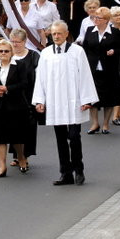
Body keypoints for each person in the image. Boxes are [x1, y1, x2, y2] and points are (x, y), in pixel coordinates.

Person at [32, 21, 98, 186]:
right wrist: (40, 100)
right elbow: (40, 78)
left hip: (73, 100)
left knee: (74, 137)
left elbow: (85, 75)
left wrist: (86, 99)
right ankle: (65, 172)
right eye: (53, 34)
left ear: (66, 34)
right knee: (60, 138)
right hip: (55, 101)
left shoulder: (77, 51)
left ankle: (79, 170)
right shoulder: (46, 53)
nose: (56, 36)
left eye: (59, 33)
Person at [0, 39, 29, 178]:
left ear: (11, 52)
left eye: (6, 51)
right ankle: (2, 165)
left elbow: (24, 83)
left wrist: (8, 89)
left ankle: (21, 158)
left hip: (16, 106)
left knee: (17, 136)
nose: (3, 53)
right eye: (1, 51)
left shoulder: (20, 65)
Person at [82, 8, 120, 135]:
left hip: (109, 70)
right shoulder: (90, 30)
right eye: (95, 18)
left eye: (98, 18)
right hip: (93, 70)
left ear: (106, 20)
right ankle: (95, 123)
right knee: (92, 97)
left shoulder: (114, 32)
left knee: (109, 98)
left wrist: (114, 51)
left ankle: (106, 124)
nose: (95, 20)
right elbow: (85, 48)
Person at [9, 29, 40, 168]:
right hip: (12, 96)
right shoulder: (8, 55)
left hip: (29, 96)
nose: (15, 45)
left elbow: (39, 77)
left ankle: (25, 155)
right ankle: (17, 155)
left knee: (28, 126)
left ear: (24, 42)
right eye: (13, 42)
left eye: (18, 42)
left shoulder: (33, 56)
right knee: (14, 126)